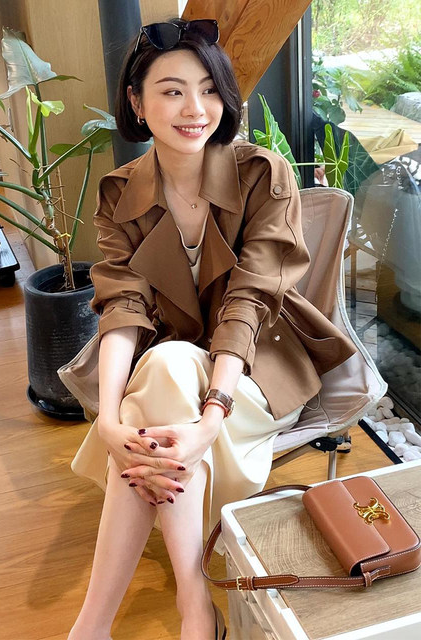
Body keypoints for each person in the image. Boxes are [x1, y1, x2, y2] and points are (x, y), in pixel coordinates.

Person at [67, 17, 357, 640]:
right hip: (171, 367)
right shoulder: (120, 193)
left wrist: (210, 419)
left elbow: (249, 302)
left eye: (208, 89)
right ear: (136, 103)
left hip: (255, 367)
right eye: (171, 90)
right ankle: (193, 609)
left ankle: (97, 626)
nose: (195, 109)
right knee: (167, 370)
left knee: (164, 387)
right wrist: (109, 419)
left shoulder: (263, 174)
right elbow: (121, 308)